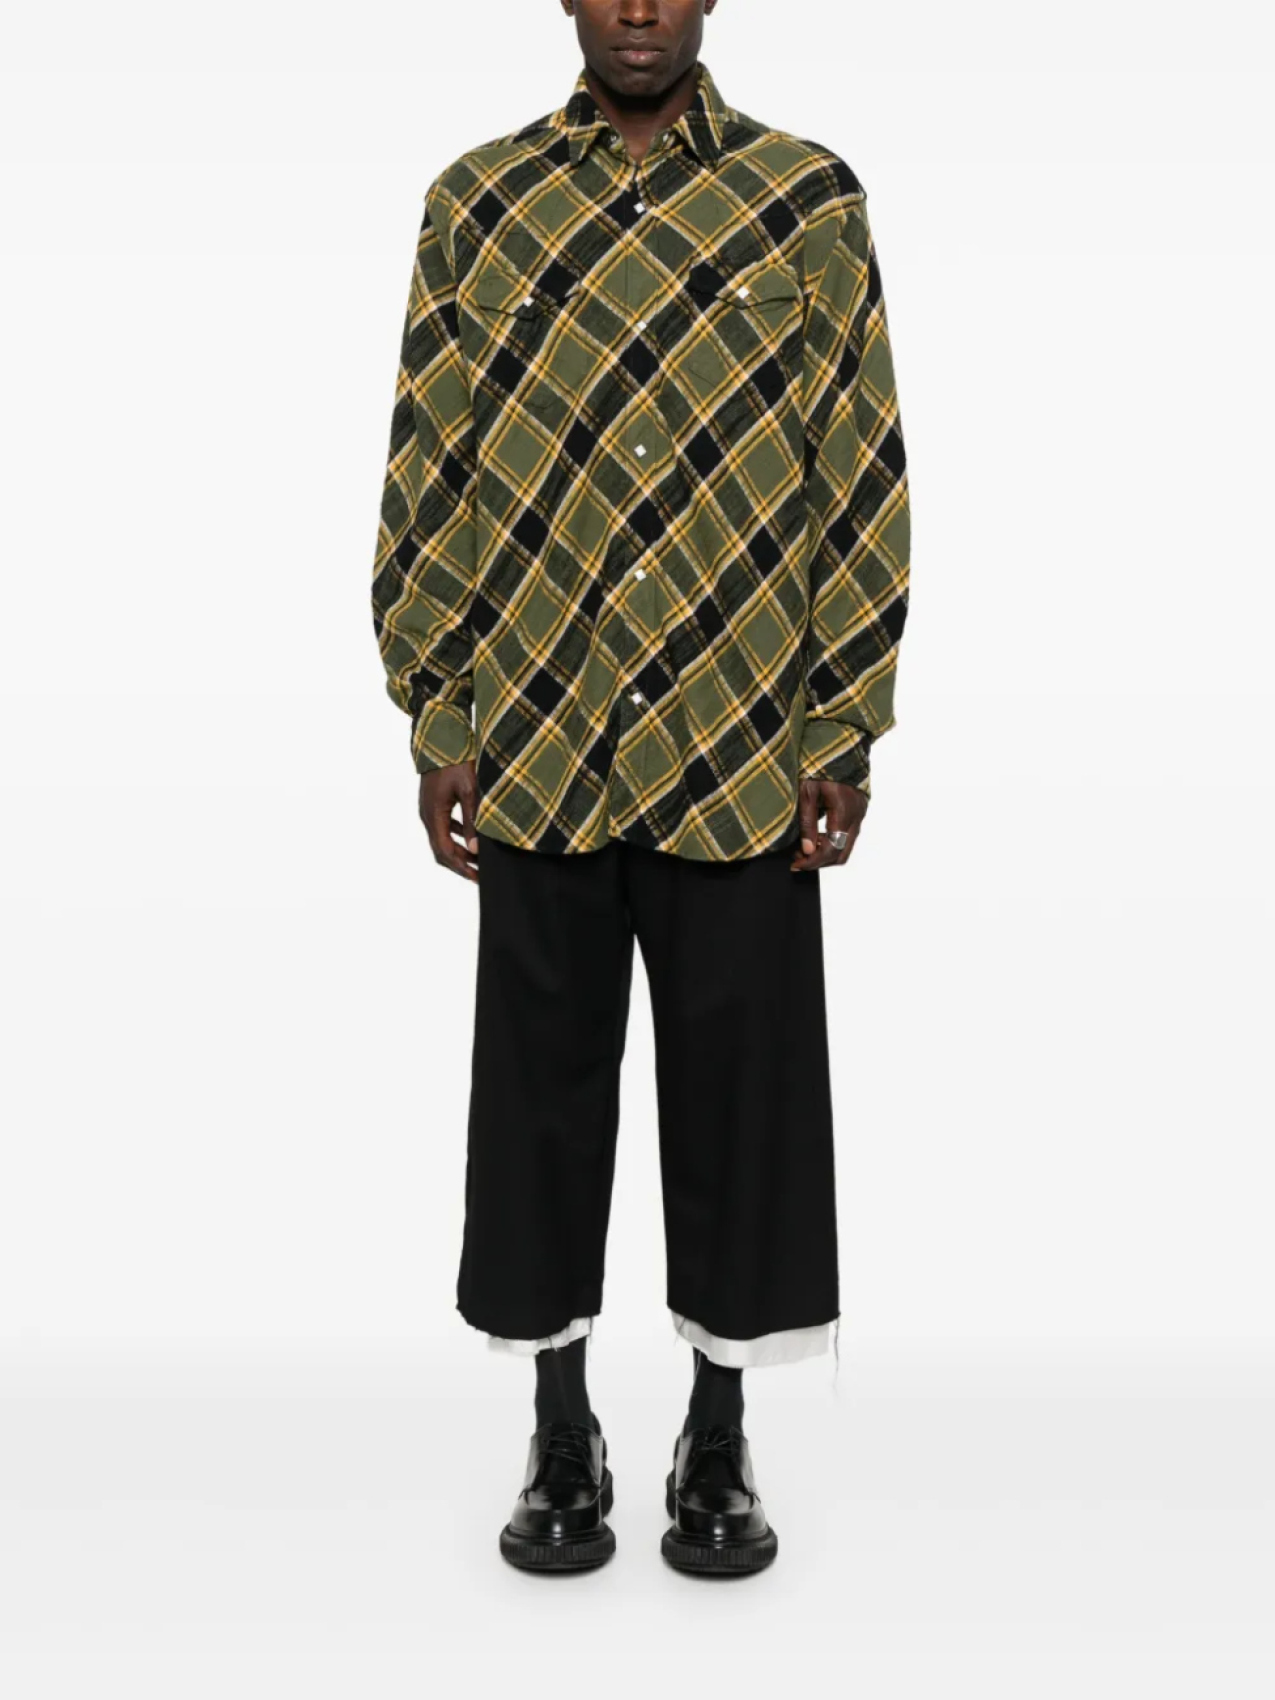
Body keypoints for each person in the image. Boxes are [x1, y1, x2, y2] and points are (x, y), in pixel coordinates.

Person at [371, 0, 910, 1577]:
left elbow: (862, 464)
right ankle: (560, 1427)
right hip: (540, 729)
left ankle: (718, 1433)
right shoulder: (477, 204)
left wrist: (841, 722)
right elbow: (427, 463)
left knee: (744, 1103)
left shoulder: (807, 202)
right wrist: (439, 707)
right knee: (539, 1104)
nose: (638, 9)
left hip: (739, 739)